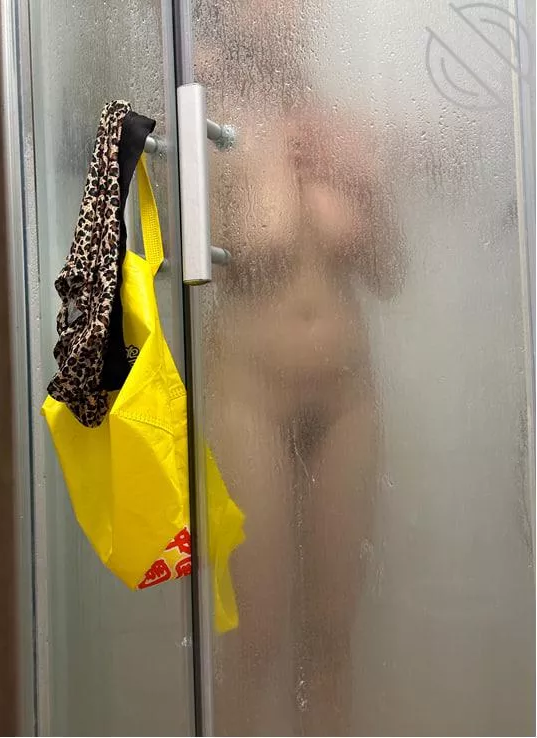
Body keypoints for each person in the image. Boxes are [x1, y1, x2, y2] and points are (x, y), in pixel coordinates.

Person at [194, 3, 404, 734]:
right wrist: (258, 158)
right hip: (249, 396)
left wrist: (363, 181)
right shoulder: (204, 116)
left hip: (347, 400)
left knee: (331, 644)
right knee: (255, 640)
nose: (289, 10)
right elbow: (200, 263)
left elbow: (390, 275)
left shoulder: (339, 126)